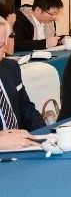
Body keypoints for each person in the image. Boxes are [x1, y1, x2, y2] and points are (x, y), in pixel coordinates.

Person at [0, 16, 44, 151]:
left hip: (19, 148)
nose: (2, 50)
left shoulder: (10, 67)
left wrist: (44, 135)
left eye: (1, 45)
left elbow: (26, 108)